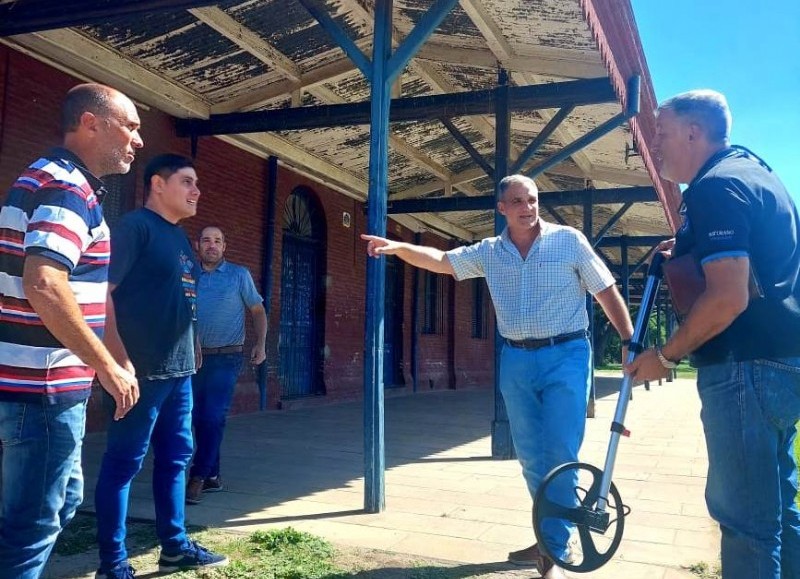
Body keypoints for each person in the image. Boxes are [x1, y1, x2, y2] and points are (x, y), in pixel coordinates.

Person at [362, 174, 633, 579]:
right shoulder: (490, 252)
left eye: (534, 199)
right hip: (517, 360)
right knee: (529, 457)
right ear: (501, 208)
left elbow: (605, 289)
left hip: (568, 354)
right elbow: (441, 261)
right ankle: (549, 535)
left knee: (560, 452)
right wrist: (399, 247)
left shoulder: (568, 241)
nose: (528, 207)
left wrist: (629, 339)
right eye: (518, 201)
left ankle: (554, 552)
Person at [626, 90, 800, 579]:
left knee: (746, 524)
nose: (654, 144)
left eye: (661, 132)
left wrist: (666, 355)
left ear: (693, 132)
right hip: (786, 363)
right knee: (780, 508)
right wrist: (687, 247)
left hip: (744, 369)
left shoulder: (714, 187)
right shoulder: (758, 174)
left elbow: (728, 298)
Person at [0, 83, 142, 579]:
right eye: (131, 125)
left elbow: (84, 289)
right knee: (31, 528)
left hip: (45, 389)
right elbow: (44, 283)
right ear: (91, 123)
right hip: (39, 392)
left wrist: (112, 356)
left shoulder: (58, 181)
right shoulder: (65, 188)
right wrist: (107, 367)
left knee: (58, 507)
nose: (138, 141)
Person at [93, 154, 228, 578]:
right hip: (141, 374)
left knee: (175, 459)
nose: (196, 191)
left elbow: (178, 299)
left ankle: (174, 546)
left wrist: (193, 346)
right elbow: (102, 296)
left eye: (196, 183)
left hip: (180, 371)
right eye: (187, 182)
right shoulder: (133, 229)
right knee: (124, 463)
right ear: (157, 184)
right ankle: (112, 564)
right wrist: (117, 362)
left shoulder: (180, 238)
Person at [185, 225, 267, 504]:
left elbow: (257, 310)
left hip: (227, 356)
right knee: (199, 418)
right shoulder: (189, 275)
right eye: (206, 240)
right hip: (192, 358)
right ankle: (213, 476)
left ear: (224, 246)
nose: (211, 245)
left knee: (213, 416)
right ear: (198, 246)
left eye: (217, 241)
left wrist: (261, 343)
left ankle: (197, 477)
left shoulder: (238, 275)